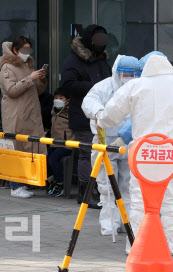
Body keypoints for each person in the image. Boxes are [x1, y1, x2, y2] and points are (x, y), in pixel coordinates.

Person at [96, 52, 173, 255]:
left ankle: (136, 244)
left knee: (139, 199)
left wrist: (100, 120)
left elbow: (110, 115)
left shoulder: (135, 86)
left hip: (143, 151)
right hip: (172, 151)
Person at [82, 55, 139, 236]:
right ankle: (109, 223)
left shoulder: (138, 87)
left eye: (131, 74)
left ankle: (127, 222)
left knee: (128, 186)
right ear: (117, 72)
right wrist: (99, 112)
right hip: (105, 141)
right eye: (125, 73)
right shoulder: (104, 87)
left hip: (129, 142)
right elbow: (89, 101)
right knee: (106, 186)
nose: (127, 77)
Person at [60, 24, 111, 207]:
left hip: (103, 115)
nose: (101, 44)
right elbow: (67, 84)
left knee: (99, 154)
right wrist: (94, 87)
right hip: (82, 114)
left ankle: (99, 190)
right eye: (97, 40)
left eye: (103, 40)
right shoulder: (74, 60)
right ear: (89, 40)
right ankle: (86, 193)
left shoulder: (102, 60)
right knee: (86, 153)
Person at [0, 35, 48, 198]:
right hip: (16, 115)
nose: (27, 53)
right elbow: (11, 91)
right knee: (16, 149)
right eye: (24, 49)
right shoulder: (7, 68)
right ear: (15, 50)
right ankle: (15, 186)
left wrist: (40, 79)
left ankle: (23, 184)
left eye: (29, 49)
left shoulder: (27, 66)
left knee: (28, 149)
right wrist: (30, 78)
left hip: (30, 113)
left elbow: (36, 91)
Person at [46, 89, 73, 195]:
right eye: (56, 98)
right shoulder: (53, 111)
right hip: (54, 143)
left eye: (61, 98)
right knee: (46, 157)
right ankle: (51, 179)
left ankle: (60, 183)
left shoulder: (70, 112)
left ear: (67, 101)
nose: (58, 100)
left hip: (67, 145)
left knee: (54, 159)